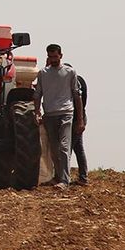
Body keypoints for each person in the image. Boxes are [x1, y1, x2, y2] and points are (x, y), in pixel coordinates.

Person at [33, 44, 85, 189]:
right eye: (50, 57)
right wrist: (37, 112)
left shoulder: (70, 72)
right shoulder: (43, 73)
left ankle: (64, 181)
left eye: (55, 56)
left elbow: (77, 95)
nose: (53, 59)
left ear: (61, 56)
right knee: (54, 149)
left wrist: (80, 119)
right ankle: (57, 177)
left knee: (64, 146)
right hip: (49, 114)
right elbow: (37, 94)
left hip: (66, 113)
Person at [64, 63, 89, 185]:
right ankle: (83, 177)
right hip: (80, 117)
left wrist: (79, 121)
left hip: (76, 119)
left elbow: (79, 102)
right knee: (78, 148)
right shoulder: (80, 80)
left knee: (67, 148)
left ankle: (64, 177)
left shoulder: (74, 82)